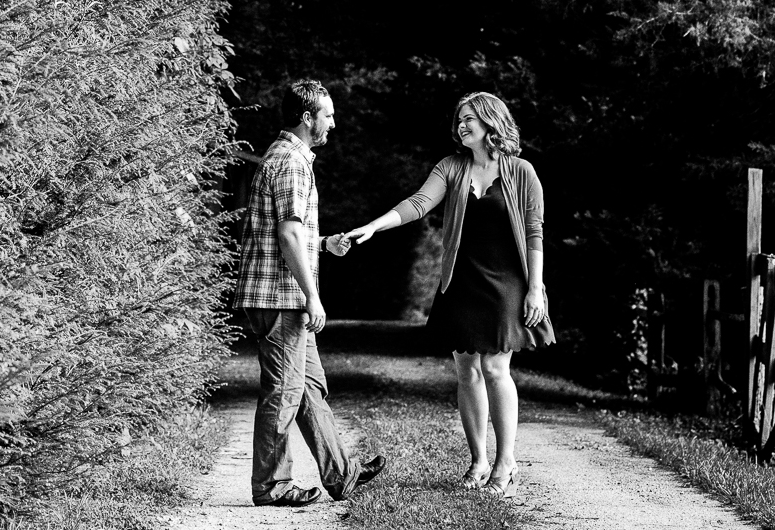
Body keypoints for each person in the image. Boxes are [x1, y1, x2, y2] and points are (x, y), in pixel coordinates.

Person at [343, 91, 553, 498]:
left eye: (470, 117)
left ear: (491, 121)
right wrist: (375, 225)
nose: (462, 124)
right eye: (459, 118)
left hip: (507, 281)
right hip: (461, 280)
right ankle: (478, 460)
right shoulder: (451, 167)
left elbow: (534, 232)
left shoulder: (522, 171)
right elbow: (419, 203)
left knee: (495, 368)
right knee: (466, 369)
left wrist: (536, 288)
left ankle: (506, 460)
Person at [231, 79, 387, 507]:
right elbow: (286, 235)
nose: (333, 123)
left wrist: (324, 244)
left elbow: (284, 234)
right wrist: (312, 296)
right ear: (307, 118)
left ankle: (341, 472)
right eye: (328, 115)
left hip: (279, 293)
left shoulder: (285, 157)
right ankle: (271, 485)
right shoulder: (293, 163)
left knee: (309, 387)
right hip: (283, 297)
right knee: (283, 390)